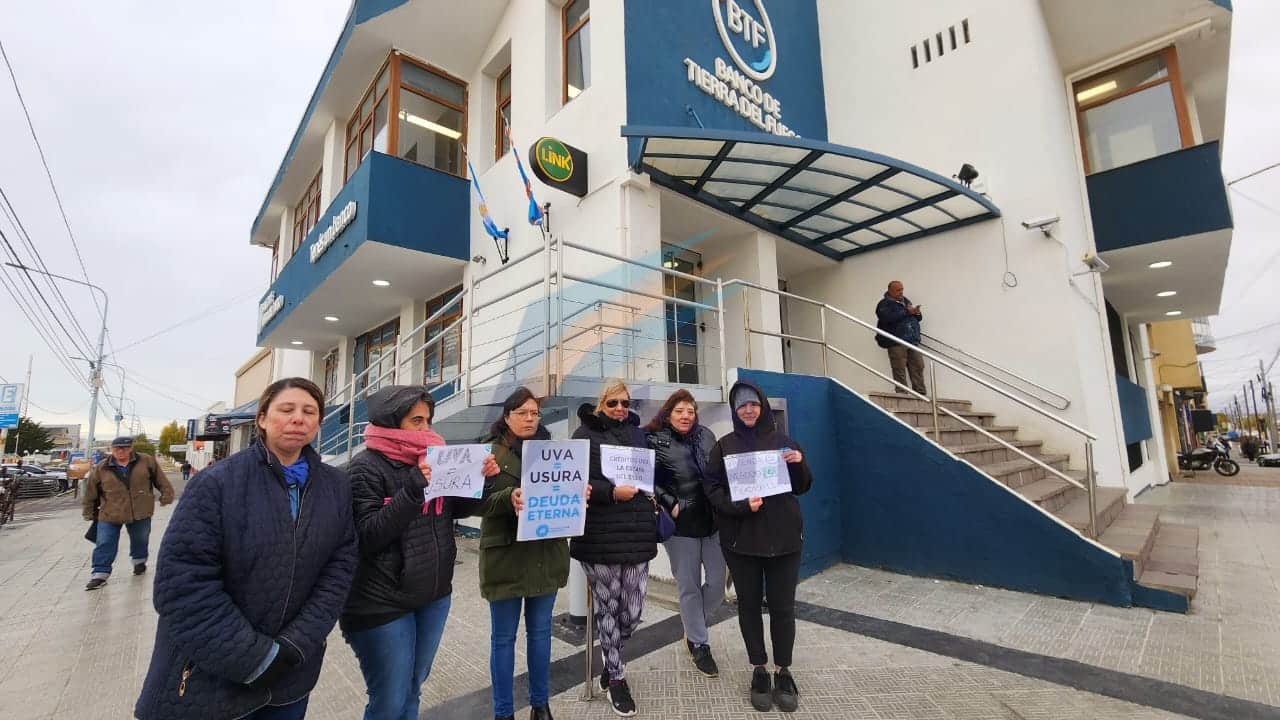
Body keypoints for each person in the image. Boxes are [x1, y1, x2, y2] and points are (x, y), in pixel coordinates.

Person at [135, 377, 357, 720]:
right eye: (286, 409)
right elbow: (183, 588)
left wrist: (295, 645)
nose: (298, 418)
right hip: (211, 676)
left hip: (291, 675)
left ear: (318, 422)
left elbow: (339, 569)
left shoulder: (336, 486)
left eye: (309, 411)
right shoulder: (216, 484)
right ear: (263, 419)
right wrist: (255, 658)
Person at [341, 385, 499, 720]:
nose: (426, 428)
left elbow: (456, 509)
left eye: (428, 420)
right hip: (380, 603)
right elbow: (366, 536)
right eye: (417, 421)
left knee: (413, 689)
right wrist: (414, 489)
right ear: (392, 421)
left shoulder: (432, 457)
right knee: (389, 699)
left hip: (433, 595)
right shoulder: (364, 467)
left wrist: (484, 481)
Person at [478, 387, 588, 720]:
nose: (529, 418)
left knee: (540, 635)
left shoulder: (554, 454)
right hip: (505, 559)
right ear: (507, 416)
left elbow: (565, 496)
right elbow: (475, 504)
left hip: (545, 555)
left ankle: (541, 705)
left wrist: (577, 492)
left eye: (534, 413)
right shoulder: (490, 455)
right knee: (503, 639)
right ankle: (503, 712)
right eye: (522, 412)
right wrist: (507, 497)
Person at [704, 381, 814, 713]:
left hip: (784, 541)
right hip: (742, 543)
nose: (748, 410)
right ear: (735, 411)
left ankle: (783, 671)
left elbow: (803, 485)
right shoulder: (724, 447)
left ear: (763, 406)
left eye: (753, 404)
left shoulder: (784, 443)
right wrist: (740, 507)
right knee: (748, 607)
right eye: (741, 406)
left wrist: (798, 462)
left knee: (783, 608)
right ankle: (759, 670)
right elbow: (711, 489)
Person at [570, 379, 657, 717]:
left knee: (632, 613)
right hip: (599, 536)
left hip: (636, 534)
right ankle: (617, 679)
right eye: (613, 403)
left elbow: (648, 474)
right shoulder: (583, 436)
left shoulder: (638, 435)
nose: (620, 409)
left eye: (625, 403)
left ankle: (611, 658)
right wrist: (609, 492)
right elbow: (573, 480)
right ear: (600, 404)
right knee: (608, 608)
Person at [645, 389, 724, 678]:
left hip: (712, 523)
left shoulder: (707, 436)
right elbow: (645, 479)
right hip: (681, 528)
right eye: (679, 411)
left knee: (717, 585)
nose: (686, 416)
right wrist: (670, 502)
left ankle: (692, 629)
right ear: (668, 413)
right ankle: (699, 644)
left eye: (690, 411)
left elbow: (719, 471)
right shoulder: (654, 440)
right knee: (689, 588)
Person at [81, 435, 175, 590]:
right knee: (104, 542)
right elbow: (91, 491)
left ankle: (139, 561)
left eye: (124, 448)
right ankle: (100, 573)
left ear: (131, 448)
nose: (121, 451)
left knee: (140, 539)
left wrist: (167, 495)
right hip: (110, 512)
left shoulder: (146, 461)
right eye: (117, 448)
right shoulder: (102, 467)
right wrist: (88, 511)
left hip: (139, 510)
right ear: (112, 449)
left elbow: (161, 480)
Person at [875, 280, 927, 395]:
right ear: (890, 291)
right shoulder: (884, 304)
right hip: (896, 341)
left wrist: (916, 313)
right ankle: (902, 394)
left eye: (902, 289)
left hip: (912, 341)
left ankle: (920, 394)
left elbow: (917, 318)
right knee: (899, 368)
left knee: (918, 366)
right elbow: (887, 318)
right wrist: (907, 312)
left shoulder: (906, 301)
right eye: (898, 290)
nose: (901, 292)